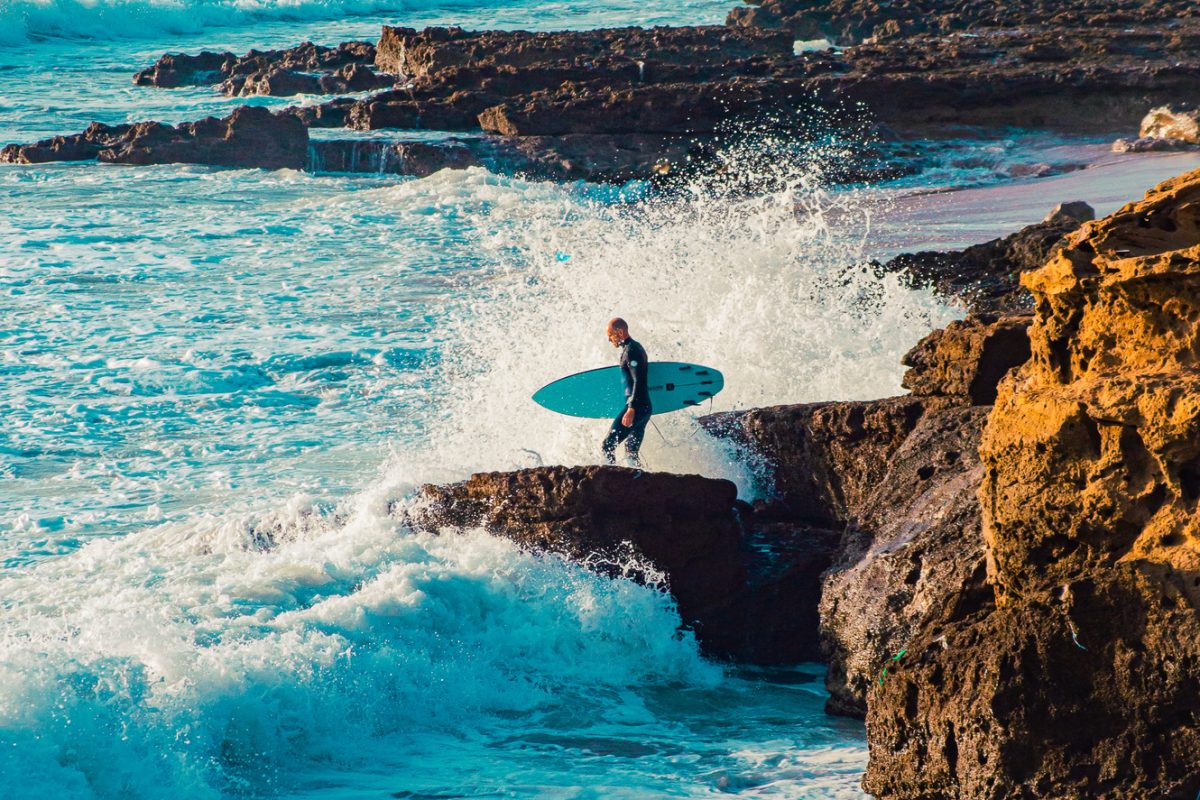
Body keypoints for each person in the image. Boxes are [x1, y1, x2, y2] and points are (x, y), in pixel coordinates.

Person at [601, 317, 652, 466]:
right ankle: (639, 481)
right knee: (631, 452)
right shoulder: (634, 348)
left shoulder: (631, 351)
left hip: (637, 407)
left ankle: (611, 480)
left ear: (620, 332)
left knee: (607, 445)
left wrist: (631, 408)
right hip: (644, 408)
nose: (609, 340)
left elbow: (639, 380)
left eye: (610, 335)